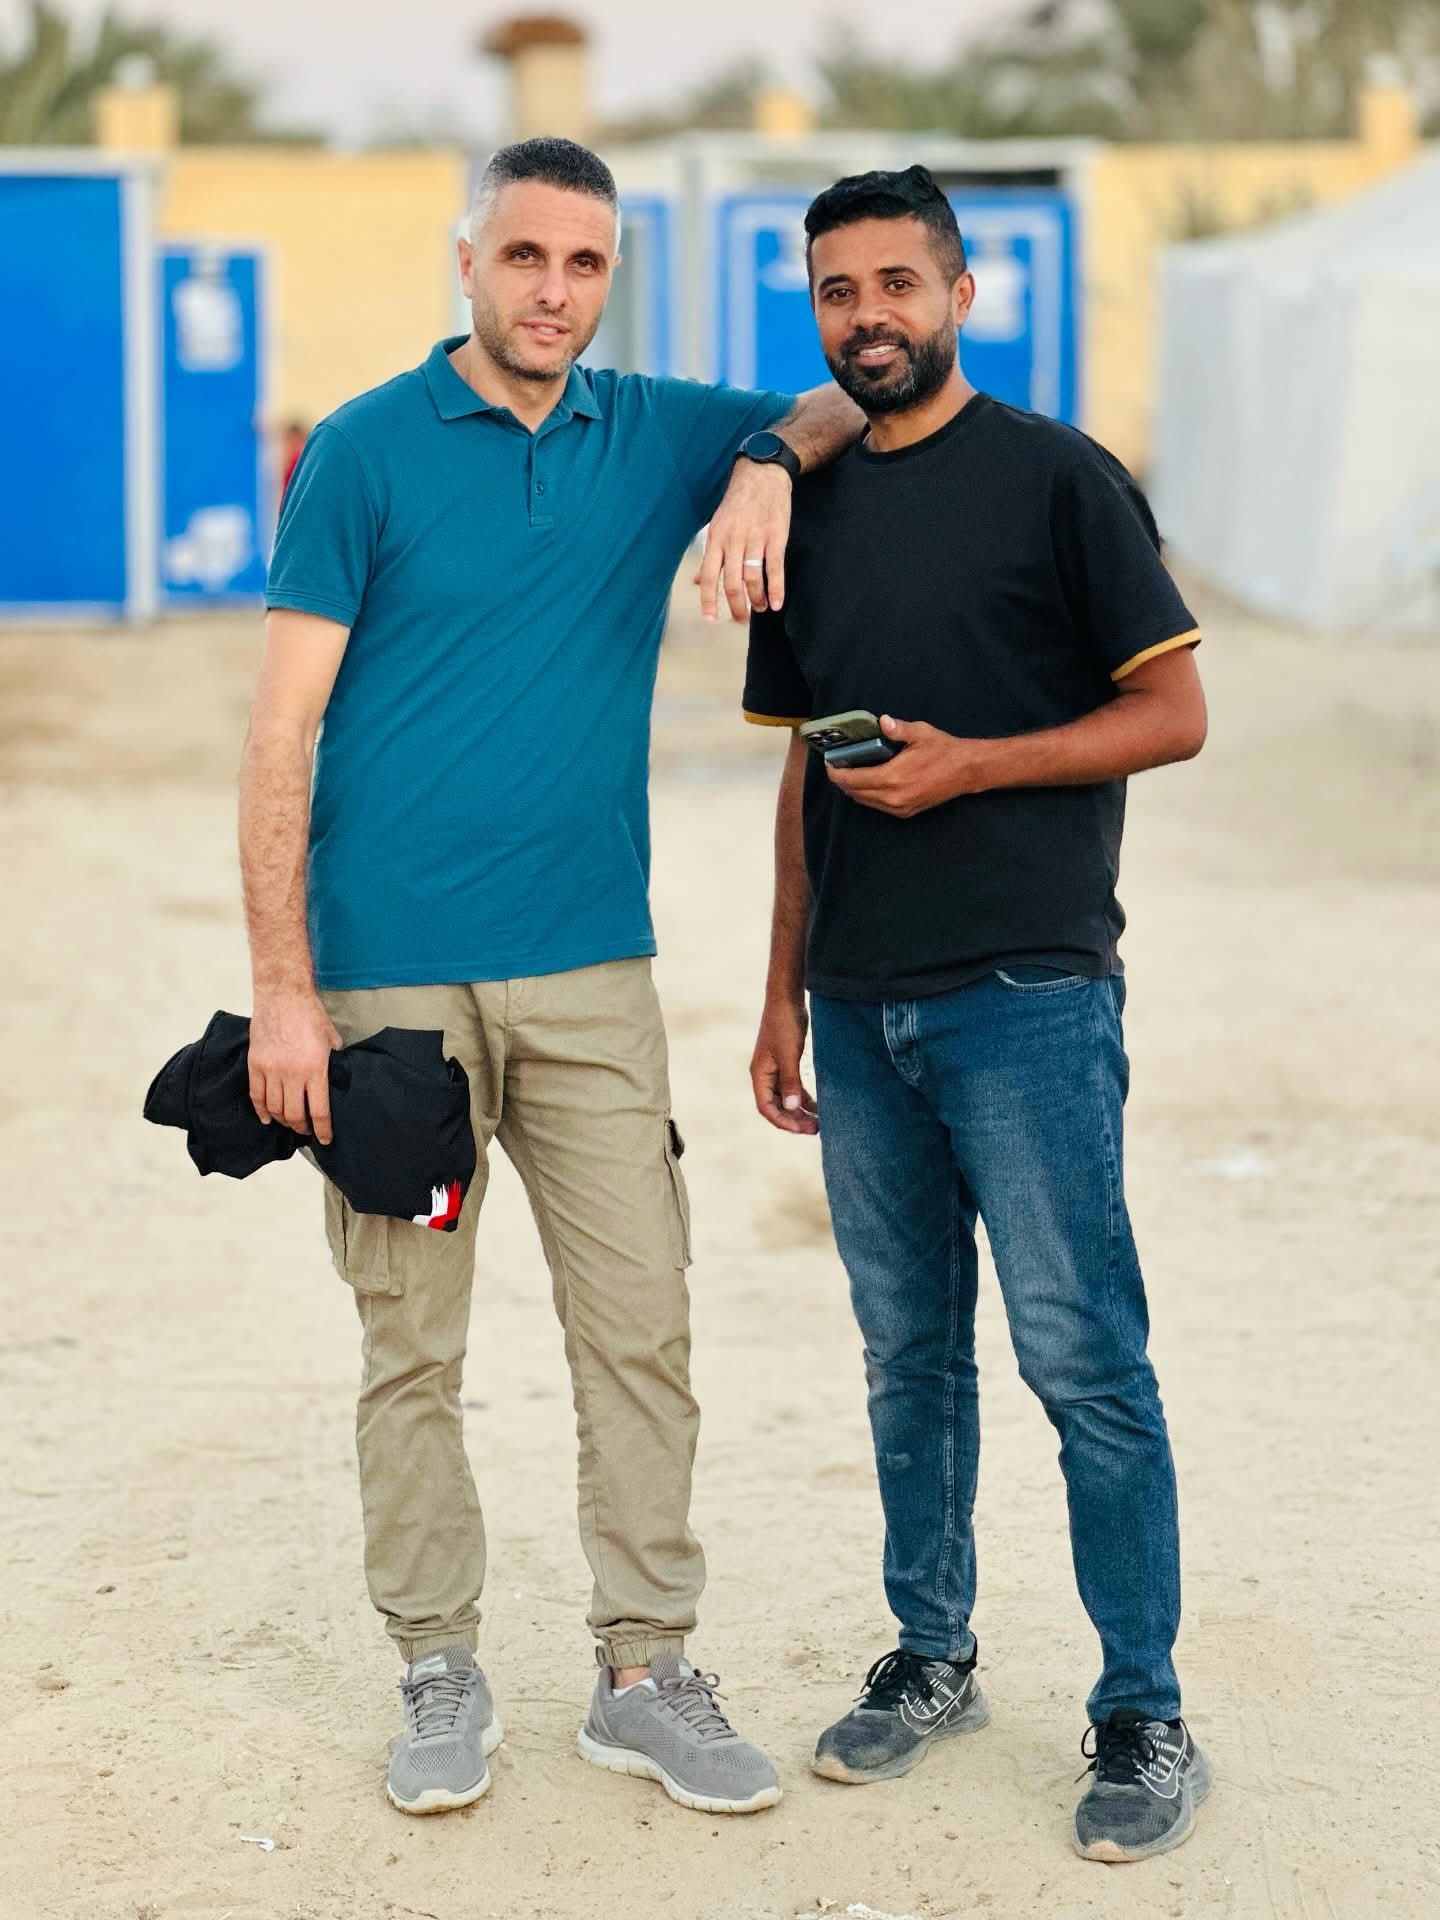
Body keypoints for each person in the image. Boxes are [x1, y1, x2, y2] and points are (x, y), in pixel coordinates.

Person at [241, 136, 862, 1820]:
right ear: (469, 262)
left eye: (585, 264)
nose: (554, 292)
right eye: (525, 257)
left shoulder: (654, 431)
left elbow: (838, 402)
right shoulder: (363, 450)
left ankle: (644, 1672)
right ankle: (438, 1669)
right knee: (412, 1342)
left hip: (592, 974)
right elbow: (282, 731)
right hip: (395, 997)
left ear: (610, 278)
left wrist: (762, 470)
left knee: (641, 1327)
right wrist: (286, 990)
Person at [743, 166, 1212, 1864]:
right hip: (860, 1003)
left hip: (1028, 994)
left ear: (960, 292)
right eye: (838, 290)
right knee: (907, 1358)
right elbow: (806, 768)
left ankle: (1144, 1710)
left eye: (897, 283)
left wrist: (978, 769)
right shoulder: (808, 509)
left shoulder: (1060, 479)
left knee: (1082, 1358)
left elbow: (1175, 713)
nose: (868, 316)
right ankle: (933, 1655)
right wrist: (782, 988)